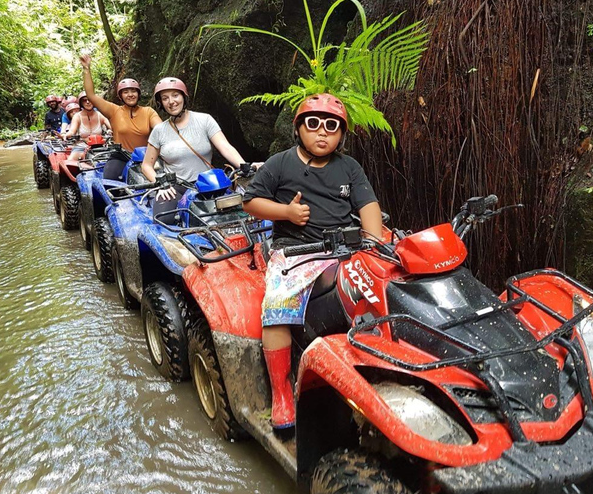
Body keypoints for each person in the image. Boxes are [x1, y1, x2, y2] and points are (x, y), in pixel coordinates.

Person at [242, 94, 382, 430]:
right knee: (277, 309)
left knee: (381, 293)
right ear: (299, 129)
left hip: (345, 249)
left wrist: (374, 246)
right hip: (296, 252)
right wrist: (286, 212)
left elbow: (368, 206)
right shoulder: (281, 162)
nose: (322, 133)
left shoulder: (349, 167)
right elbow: (251, 201)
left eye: (331, 126)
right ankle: (282, 393)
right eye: (314, 124)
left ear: (341, 135)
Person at [142, 77, 261, 218]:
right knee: (163, 218)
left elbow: (225, 147)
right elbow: (146, 165)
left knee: (240, 214)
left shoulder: (204, 120)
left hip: (209, 184)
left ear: (184, 97)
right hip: (176, 187)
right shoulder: (159, 131)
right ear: (161, 103)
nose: (171, 101)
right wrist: (160, 185)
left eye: (175, 95)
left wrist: (245, 166)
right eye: (165, 98)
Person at [78, 54, 161, 152]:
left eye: (133, 91)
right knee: (110, 168)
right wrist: (86, 69)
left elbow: (160, 129)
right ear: (120, 96)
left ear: (138, 94)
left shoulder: (148, 112)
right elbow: (91, 95)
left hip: (144, 156)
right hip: (121, 156)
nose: (130, 95)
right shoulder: (114, 110)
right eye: (125, 92)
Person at [63, 91, 111, 160]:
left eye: (90, 99)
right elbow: (72, 131)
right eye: (84, 100)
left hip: (100, 147)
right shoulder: (77, 116)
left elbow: (113, 127)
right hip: (81, 147)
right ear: (81, 103)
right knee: (70, 163)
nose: (88, 102)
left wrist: (110, 130)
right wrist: (66, 134)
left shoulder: (100, 115)